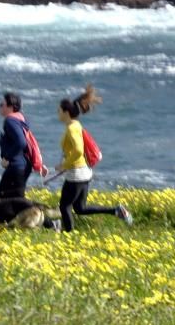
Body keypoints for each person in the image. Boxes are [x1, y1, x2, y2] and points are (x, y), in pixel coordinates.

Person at [54, 84, 133, 232]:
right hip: (84, 172)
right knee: (80, 208)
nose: (57, 113)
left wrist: (64, 165)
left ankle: (68, 237)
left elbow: (78, 150)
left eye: (59, 110)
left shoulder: (71, 129)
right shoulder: (76, 125)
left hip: (76, 174)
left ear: (66, 112)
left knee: (64, 206)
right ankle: (116, 211)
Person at [0, 91, 40, 198]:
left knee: (2, 198)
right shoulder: (21, 118)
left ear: (10, 107)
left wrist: (6, 158)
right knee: (14, 200)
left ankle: (41, 213)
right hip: (24, 166)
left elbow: (21, 142)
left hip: (16, 167)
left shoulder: (10, 120)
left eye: (2, 105)